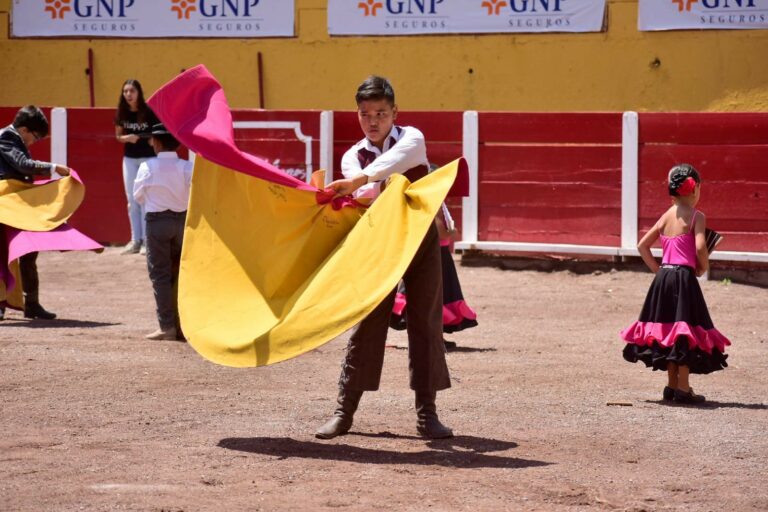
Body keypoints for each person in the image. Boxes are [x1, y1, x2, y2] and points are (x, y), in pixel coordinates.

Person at [315, 76, 453, 440]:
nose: (372, 121)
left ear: (395, 113)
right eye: (365, 114)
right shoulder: (351, 156)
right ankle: (344, 412)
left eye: (380, 113)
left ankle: (427, 415)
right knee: (368, 323)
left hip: (420, 236)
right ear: (357, 115)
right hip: (381, 241)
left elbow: (390, 166)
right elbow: (368, 193)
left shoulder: (413, 138)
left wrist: (363, 181)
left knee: (426, 322)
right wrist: (364, 182)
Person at [621, 164, 731, 404]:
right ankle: (683, 387)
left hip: (664, 278)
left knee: (669, 329)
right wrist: (703, 267)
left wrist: (659, 271)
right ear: (695, 188)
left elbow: (642, 245)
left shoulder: (665, 216)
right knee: (684, 329)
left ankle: (671, 385)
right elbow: (700, 247)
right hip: (683, 277)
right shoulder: (697, 216)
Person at [0, 106, 71, 321]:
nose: (35, 141)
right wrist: (53, 167)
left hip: (18, 204)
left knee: (29, 253)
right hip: (5, 204)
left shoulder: (15, 138)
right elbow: (23, 165)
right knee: (3, 254)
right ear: (24, 130)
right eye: (36, 136)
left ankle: (31, 303)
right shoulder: (6, 137)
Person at [390, 202, 478, 350]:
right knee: (434, 296)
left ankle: (431, 337)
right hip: (436, 255)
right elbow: (440, 231)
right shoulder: (433, 201)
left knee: (427, 296)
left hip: (430, 253)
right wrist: (452, 232)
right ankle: (431, 338)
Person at [133, 123, 192, 341]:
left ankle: (167, 326)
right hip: (181, 223)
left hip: (157, 223)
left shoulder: (147, 167)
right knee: (180, 274)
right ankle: (182, 325)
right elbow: (194, 195)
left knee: (160, 275)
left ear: (157, 142)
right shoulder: (187, 167)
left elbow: (138, 196)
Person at [115, 79, 159, 255]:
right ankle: (135, 240)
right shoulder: (122, 112)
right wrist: (127, 138)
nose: (128, 94)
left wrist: (152, 140)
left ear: (138, 92)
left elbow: (159, 132)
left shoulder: (148, 111)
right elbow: (118, 136)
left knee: (146, 199)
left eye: (131, 91)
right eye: (125, 91)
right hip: (130, 159)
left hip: (149, 159)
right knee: (132, 200)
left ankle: (147, 242)